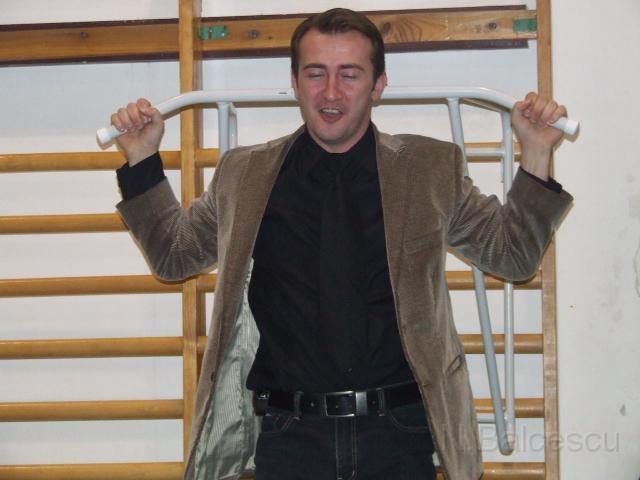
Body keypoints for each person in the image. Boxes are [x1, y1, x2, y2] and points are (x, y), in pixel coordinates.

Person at [110, 8, 573, 480]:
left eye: (349, 75)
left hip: (401, 433)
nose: (330, 93)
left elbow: (512, 256)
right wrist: (142, 157)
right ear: (295, 82)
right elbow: (175, 256)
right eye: (316, 74)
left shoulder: (429, 169)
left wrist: (536, 152)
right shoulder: (243, 174)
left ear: (378, 86)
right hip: (289, 437)